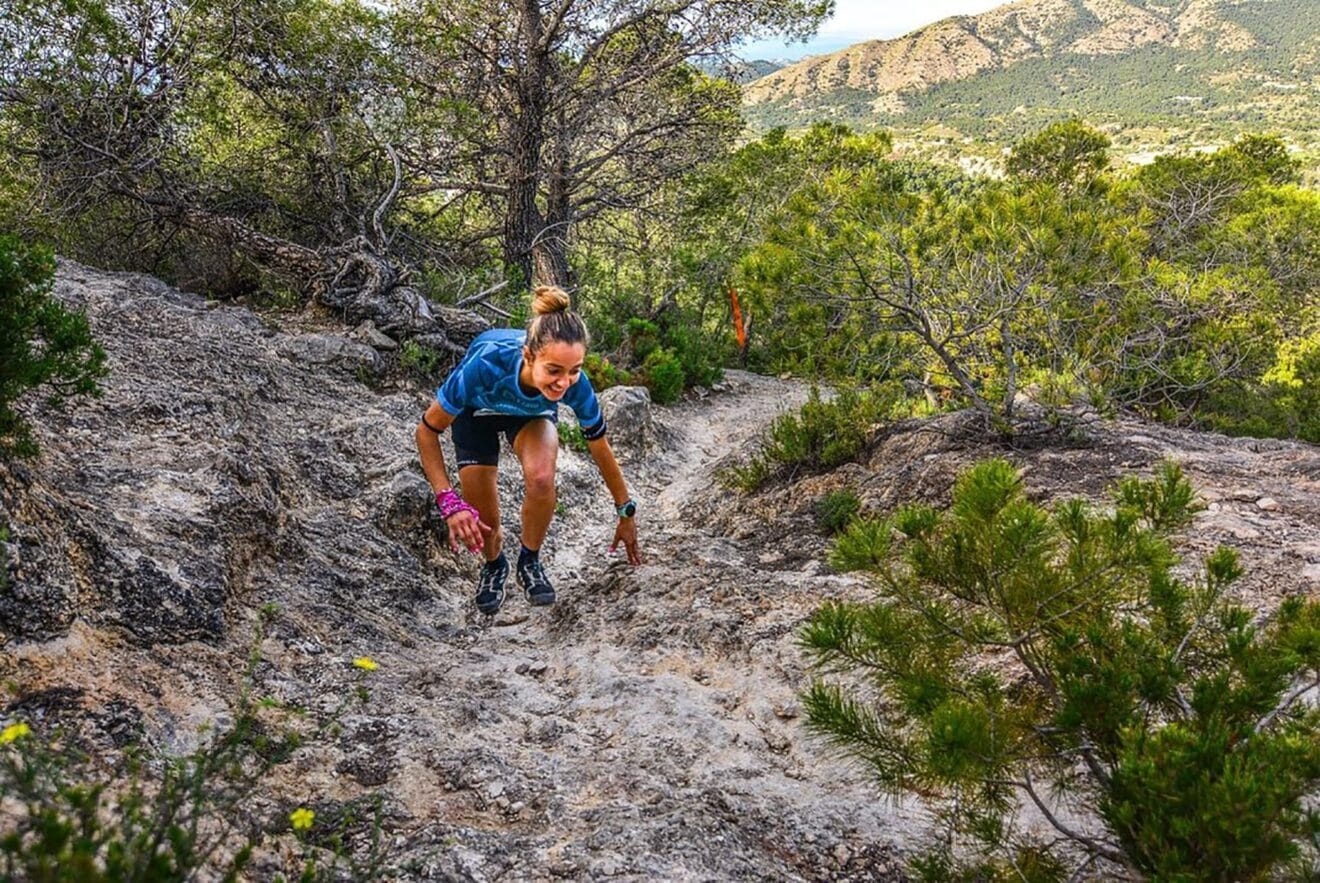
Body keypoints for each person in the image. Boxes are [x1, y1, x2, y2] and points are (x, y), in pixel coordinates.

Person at [415, 284, 642, 615]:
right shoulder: (486, 365)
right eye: (554, 370)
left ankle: (529, 561)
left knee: (541, 477)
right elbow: (426, 431)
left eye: (574, 370)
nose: (564, 382)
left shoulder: (575, 386)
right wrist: (449, 500)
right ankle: (494, 566)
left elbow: (600, 447)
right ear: (528, 356)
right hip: (476, 413)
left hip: (531, 413)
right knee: (483, 518)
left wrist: (626, 512)